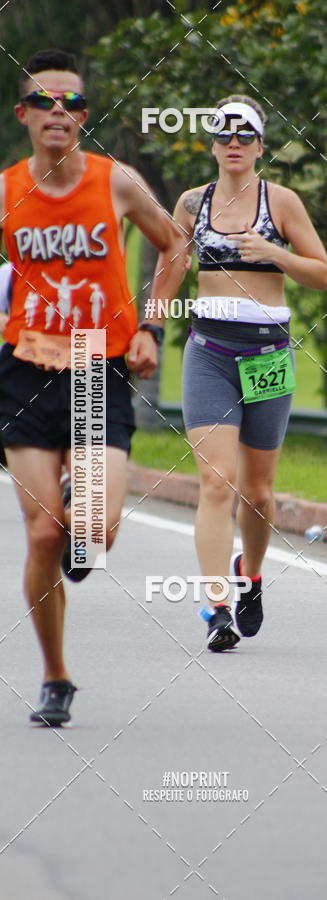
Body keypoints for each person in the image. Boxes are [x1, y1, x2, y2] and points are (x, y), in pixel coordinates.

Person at [0, 49, 187, 725]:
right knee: (43, 535)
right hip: (23, 370)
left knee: (95, 533)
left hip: (95, 368)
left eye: (72, 103)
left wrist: (152, 330)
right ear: (23, 115)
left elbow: (174, 246)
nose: (59, 112)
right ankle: (55, 676)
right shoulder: (6, 189)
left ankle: (88, 503)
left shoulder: (117, 182)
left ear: (84, 117)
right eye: (45, 101)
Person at [172, 95, 327, 651]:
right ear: (212, 145)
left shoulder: (281, 201)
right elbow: (172, 265)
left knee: (258, 493)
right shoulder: (192, 203)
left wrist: (273, 252)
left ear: (261, 146)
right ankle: (216, 609)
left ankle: (252, 577)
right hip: (210, 350)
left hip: (268, 353)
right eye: (223, 134)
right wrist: (147, 326)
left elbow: (322, 274)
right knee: (217, 483)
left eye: (245, 135)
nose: (233, 143)